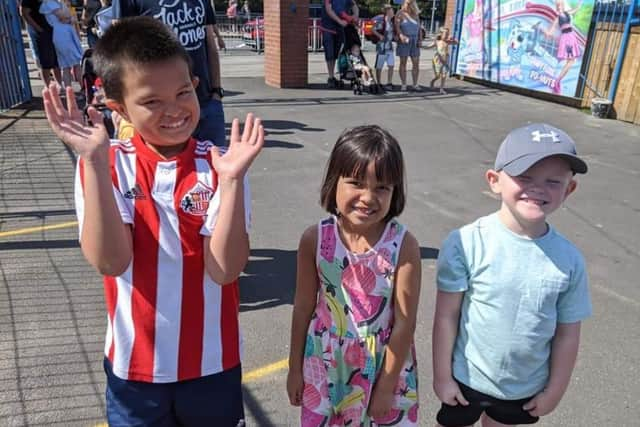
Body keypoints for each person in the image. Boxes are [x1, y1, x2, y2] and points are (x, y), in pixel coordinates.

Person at [41, 16, 264, 426]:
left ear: (196, 86)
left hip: (213, 363)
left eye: (182, 92)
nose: (174, 110)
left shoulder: (221, 166)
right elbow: (110, 262)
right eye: (152, 101)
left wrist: (232, 182)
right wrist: (92, 160)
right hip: (135, 370)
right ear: (118, 108)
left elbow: (226, 269)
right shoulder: (107, 164)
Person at [432, 123, 591, 427]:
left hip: (524, 388)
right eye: (524, 176)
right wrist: (442, 377)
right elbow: (446, 316)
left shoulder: (570, 261)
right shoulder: (466, 243)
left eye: (553, 181)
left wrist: (555, 391)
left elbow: (568, 334)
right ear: (494, 181)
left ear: (569, 189)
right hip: (466, 378)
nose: (538, 188)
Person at [287, 125, 421, 426]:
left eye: (382, 187)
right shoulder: (316, 239)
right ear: (335, 182)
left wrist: (386, 387)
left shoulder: (403, 245)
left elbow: (404, 322)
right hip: (323, 365)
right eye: (356, 183)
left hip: (384, 367)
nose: (368, 197)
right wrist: (294, 368)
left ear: (395, 191)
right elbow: (303, 307)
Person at [113, 0, 227, 146]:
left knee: (216, 164)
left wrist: (216, 92)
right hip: (163, 111)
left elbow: (210, 45)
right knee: (169, 167)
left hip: (207, 103)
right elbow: (119, 48)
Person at [39, 0, 83, 91]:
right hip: (63, 36)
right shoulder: (50, 3)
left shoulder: (55, 3)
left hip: (64, 34)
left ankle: (70, 91)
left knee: (67, 66)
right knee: (74, 64)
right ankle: (84, 89)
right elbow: (64, 16)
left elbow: (67, 16)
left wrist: (69, 18)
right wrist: (70, 18)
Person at [543, 0, 583, 95]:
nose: (561, 7)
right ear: (557, 7)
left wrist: (579, 3)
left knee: (571, 61)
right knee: (571, 60)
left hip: (570, 37)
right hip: (567, 39)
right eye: (559, 5)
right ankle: (557, 81)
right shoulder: (558, 18)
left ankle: (557, 81)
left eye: (561, 5)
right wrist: (545, 31)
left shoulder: (566, 13)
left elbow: (576, 9)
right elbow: (550, 32)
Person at [19, 0, 61, 87]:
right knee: (45, 61)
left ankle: (60, 85)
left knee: (56, 60)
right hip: (41, 33)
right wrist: (38, 29)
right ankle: (48, 86)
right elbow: (24, 13)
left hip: (53, 30)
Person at [321, 0, 359, 88]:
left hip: (340, 29)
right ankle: (331, 77)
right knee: (330, 54)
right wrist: (339, 21)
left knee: (338, 53)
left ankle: (340, 74)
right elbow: (329, 9)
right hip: (329, 28)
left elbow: (355, 6)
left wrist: (355, 16)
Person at [394, 0, 421, 92]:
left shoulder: (416, 14)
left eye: (410, 3)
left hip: (415, 41)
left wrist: (420, 40)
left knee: (416, 63)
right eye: (407, 3)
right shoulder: (400, 13)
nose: (408, 5)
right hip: (404, 40)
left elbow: (419, 29)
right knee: (403, 63)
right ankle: (404, 84)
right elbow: (397, 27)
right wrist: (401, 35)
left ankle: (415, 84)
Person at [427, 27, 457, 95]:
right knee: (438, 76)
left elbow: (456, 43)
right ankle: (432, 81)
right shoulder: (437, 42)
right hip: (438, 60)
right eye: (445, 34)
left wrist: (453, 39)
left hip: (446, 59)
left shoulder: (447, 41)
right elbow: (428, 46)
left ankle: (441, 89)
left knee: (444, 75)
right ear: (440, 34)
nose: (447, 35)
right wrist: (421, 46)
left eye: (448, 34)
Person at [372, 4, 395, 91]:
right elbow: (373, 29)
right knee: (379, 66)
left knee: (391, 65)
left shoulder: (391, 21)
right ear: (388, 11)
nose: (393, 12)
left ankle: (389, 83)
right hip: (381, 47)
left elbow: (391, 33)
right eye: (392, 10)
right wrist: (379, 36)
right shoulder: (382, 21)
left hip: (389, 47)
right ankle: (378, 83)